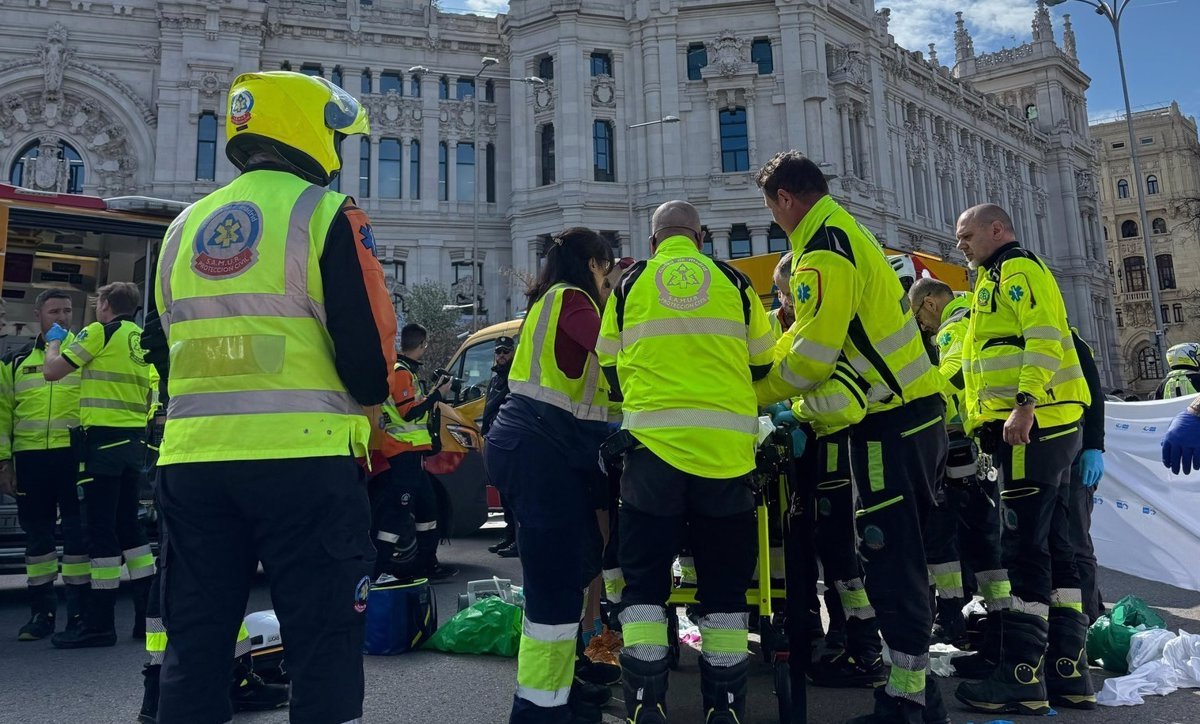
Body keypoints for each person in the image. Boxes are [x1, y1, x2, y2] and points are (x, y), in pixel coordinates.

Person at [147, 70, 396, 724]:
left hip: (193, 463)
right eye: (335, 135)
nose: (339, 151)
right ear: (309, 131)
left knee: (195, 644)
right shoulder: (323, 214)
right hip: (304, 462)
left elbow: (159, 343)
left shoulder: (183, 227)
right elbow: (369, 361)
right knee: (323, 639)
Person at [753, 151, 950, 724]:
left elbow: (813, 356)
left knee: (890, 558)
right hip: (905, 417)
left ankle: (907, 701)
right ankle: (913, 695)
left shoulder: (821, 251)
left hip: (895, 423)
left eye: (771, 210)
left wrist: (755, 392)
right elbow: (822, 348)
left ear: (786, 200)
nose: (774, 221)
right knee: (894, 555)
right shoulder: (845, 232)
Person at [596, 201, 774, 724]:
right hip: (726, 458)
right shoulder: (734, 282)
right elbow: (762, 360)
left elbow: (608, 362)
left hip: (653, 456)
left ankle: (646, 703)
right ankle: (725, 707)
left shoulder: (630, 285)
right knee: (723, 587)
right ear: (701, 239)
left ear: (655, 243)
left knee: (645, 584)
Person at [953, 203, 1093, 715]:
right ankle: (1067, 670)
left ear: (998, 230)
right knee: (1056, 546)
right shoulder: (993, 279)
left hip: (1034, 429)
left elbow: (1044, 339)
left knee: (1023, 551)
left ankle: (1021, 675)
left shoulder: (1017, 270)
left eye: (966, 235)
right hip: (1040, 428)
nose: (960, 246)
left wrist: (1024, 405)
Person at [485, 227, 615, 724]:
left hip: (530, 445)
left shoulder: (549, 300)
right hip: (542, 450)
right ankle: (541, 709)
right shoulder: (576, 302)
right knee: (555, 587)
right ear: (592, 265)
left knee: (568, 570)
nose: (607, 281)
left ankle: (557, 694)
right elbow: (618, 354)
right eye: (606, 269)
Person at [39, 282, 155, 648]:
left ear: (105, 305)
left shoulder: (99, 332)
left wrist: (53, 342)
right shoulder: (139, 337)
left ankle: (99, 624)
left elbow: (52, 372)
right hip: (132, 443)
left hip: (102, 444)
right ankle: (147, 618)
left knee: (100, 531)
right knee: (131, 532)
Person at [909, 278, 1011, 672]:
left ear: (931, 305)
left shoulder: (953, 327)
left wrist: (913, 393)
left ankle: (953, 619)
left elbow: (951, 373)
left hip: (963, 444)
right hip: (986, 443)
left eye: (920, 316)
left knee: (951, 535)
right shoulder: (980, 314)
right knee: (987, 538)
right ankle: (1000, 621)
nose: (923, 327)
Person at [0, 290, 86, 642]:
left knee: (79, 539)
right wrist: (3, 462)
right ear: (39, 314)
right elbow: (3, 414)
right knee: (38, 539)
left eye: (67, 311)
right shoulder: (15, 360)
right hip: (31, 460)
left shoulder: (85, 354)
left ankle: (79, 614)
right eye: (54, 311)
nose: (62, 317)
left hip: (73, 459)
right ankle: (42, 614)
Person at [378, 323, 457, 581]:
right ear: (422, 344)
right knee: (397, 513)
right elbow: (408, 412)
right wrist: (437, 395)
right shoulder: (401, 373)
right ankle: (380, 570)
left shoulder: (407, 372)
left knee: (427, 509)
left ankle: (428, 563)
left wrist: (433, 392)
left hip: (413, 454)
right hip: (402, 453)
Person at [1069, 330, 1106, 628]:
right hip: (1052, 455)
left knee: (1076, 540)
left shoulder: (1073, 344)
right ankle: (1082, 612)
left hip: (1075, 454)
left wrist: (1094, 446)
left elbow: (1095, 398)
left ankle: (1089, 620)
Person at [483, 335, 517, 557]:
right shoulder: (496, 378)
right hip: (495, 438)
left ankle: (517, 541)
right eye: (498, 352)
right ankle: (509, 536)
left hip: (509, 441)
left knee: (514, 494)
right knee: (504, 493)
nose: (502, 355)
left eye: (505, 351)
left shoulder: (514, 377)